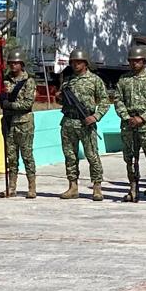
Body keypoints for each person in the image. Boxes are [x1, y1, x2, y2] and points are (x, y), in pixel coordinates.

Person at [57, 48, 110, 201]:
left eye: (79, 62)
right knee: (70, 156)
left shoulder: (94, 80)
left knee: (92, 156)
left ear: (85, 63)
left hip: (86, 123)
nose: (75, 65)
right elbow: (62, 101)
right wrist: (59, 98)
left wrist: (96, 117)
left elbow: (105, 101)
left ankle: (97, 187)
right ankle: (73, 186)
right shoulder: (67, 81)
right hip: (68, 122)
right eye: (73, 62)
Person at [115, 44, 146, 202]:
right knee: (129, 159)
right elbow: (118, 100)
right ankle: (133, 188)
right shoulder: (124, 79)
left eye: (137, 61)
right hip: (129, 124)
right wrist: (126, 117)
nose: (134, 63)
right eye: (131, 61)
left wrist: (142, 118)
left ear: (143, 61)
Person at [0, 49, 37, 199]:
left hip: (24, 122)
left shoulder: (28, 81)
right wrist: (2, 99)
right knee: (11, 157)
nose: (13, 65)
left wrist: (10, 105)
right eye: (11, 63)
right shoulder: (4, 80)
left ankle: (32, 187)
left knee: (27, 156)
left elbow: (27, 103)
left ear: (22, 64)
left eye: (16, 63)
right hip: (9, 123)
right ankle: (11, 187)